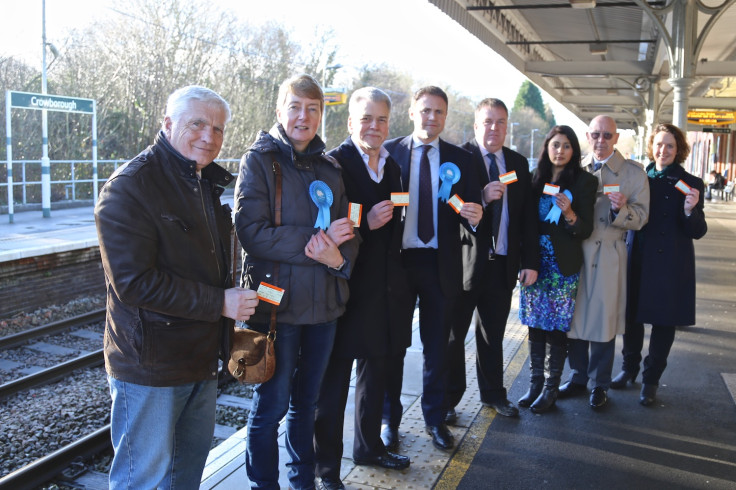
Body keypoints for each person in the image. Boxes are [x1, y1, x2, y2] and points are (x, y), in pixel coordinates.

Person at [95, 85, 259, 489]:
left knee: (185, 476)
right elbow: (134, 283)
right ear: (167, 124)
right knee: (143, 480)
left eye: (218, 129)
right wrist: (220, 303)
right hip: (150, 364)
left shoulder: (203, 183)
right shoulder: (130, 187)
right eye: (198, 124)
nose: (209, 136)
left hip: (199, 360)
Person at [234, 74, 360, 489]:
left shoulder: (331, 168)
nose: (303, 117)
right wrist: (316, 246)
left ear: (322, 114)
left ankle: (302, 480)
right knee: (270, 406)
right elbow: (250, 231)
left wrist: (337, 258)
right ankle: (264, 484)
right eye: (295, 107)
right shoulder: (259, 161)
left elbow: (348, 232)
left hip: (324, 306)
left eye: (312, 109)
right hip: (277, 310)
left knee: (307, 403)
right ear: (279, 110)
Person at [313, 87, 413, 490]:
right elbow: (326, 225)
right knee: (333, 387)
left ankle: (369, 448)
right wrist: (362, 224)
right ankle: (326, 472)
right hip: (345, 288)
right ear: (351, 122)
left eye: (382, 120)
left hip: (387, 290)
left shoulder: (392, 166)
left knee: (376, 375)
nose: (374, 127)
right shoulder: (333, 164)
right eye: (366, 119)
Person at [381, 86, 483, 451]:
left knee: (437, 346)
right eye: (426, 110)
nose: (432, 118)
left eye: (439, 112)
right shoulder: (390, 152)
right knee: (393, 345)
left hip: (441, 264)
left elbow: (472, 212)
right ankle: (389, 420)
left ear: (445, 117)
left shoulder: (461, 159)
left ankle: (435, 418)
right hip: (398, 264)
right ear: (412, 112)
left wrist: (476, 215)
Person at [445, 98, 539, 421]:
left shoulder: (517, 162)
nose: (494, 128)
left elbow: (526, 217)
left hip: (503, 264)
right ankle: (448, 401)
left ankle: (494, 395)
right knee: (454, 336)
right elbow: (448, 205)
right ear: (476, 125)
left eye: (500, 122)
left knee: (492, 334)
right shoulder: (458, 157)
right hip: (465, 264)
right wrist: (480, 199)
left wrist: (530, 261)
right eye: (488, 121)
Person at [612, 123, 707, 406]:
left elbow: (698, 231)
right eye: (659, 144)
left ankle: (651, 379)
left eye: (669, 146)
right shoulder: (638, 176)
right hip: (636, 255)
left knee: (664, 322)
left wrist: (690, 210)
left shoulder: (691, 183)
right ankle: (629, 369)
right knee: (631, 317)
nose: (662, 150)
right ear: (651, 145)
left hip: (670, 263)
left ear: (678, 151)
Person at [562, 115, 650, 409]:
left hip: (609, 252)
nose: (601, 141)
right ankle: (577, 375)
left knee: (603, 320)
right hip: (576, 251)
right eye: (596, 135)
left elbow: (641, 218)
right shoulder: (575, 168)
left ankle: (599, 383)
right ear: (588, 136)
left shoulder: (634, 174)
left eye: (607, 136)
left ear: (616, 138)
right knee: (573, 317)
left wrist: (621, 210)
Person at [518, 125, 598, 413]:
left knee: (556, 328)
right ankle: (535, 385)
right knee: (535, 326)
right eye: (555, 145)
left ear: (573, 151)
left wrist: (569, 213)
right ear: (547, 148)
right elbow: (524, 222)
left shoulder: (584, 183)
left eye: (566, 146)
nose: (560, 151)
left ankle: (551, 389)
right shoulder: (534, 179)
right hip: (534, 263)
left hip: (562, 266)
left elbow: (585, 230)